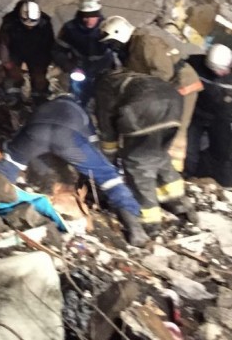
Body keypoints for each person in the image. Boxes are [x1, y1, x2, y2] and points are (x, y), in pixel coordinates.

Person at [0, 93, 148, 246]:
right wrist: (91, 169)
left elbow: (20, 134)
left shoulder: (44, 106)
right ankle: (135, 228)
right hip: (68, 139)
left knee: (10, 163)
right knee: (109, 178)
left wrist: (14, 154)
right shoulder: (79, 110)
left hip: (36, 134)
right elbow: (93, 143)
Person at [95, 70, 197, 230]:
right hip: (174, 105)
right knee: (158, 155)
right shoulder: (131, 78)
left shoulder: (103, 88)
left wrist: (109, 155)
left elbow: (106, 124)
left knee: (138, 163)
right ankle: (178, 202)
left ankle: (149, 221)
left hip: (145, 110)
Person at [99, 16, 203, 172]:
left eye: (112, 42)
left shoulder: (146, 43)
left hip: (182, 87)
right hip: (165, 92)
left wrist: (148, 96)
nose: (113, 47)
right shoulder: (130, 49)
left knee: (176, 131)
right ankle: (158, 167)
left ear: (120, 34)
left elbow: (163, 73)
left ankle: (174, 172)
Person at [53, 0, 114, 106]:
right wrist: (68, 66)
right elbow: (58, 50)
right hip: (79, 71)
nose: (88, 20)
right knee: (77, 100)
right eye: (85, 15)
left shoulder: (109, 28)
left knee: (106, 102)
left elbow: (119, 50)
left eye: (92, 15)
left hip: (104, 72)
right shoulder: (70, 29)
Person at [185, 43, 232, 185]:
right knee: (190, 151)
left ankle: (225, 184)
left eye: (224, 69)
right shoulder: (194, 64)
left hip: (221, 119)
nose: (221, 73)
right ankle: (188, 179)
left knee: (223, 153)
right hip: (197, 115)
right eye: (217, 70)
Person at [0, 0, 54, 102]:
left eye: (32, 24)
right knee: (13, 76)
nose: (29, 26)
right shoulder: (10, 22)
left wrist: (46, 61)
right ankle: (13, 99)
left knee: (39, 79)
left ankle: (39, 99)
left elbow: (49, 43)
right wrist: (6, 61)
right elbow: (3, 43)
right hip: (15, 52)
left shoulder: (45, 23)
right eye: (27, 24)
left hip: (37, 53)